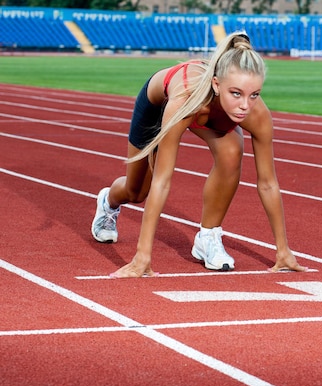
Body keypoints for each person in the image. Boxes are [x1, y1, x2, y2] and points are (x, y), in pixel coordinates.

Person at [91, 31, 306, 278]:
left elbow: (268, 183)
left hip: (211, 111)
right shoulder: (184, 100)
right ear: (217, 84)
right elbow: (163, 181)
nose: (246, 105)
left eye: (254, 94)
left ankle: (208, 236)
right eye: (236, 93)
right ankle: (109, 202)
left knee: (232, 152)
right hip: (160, 105)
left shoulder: (255, 114)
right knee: (137, 191)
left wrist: (283, 250)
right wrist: (142, 258)